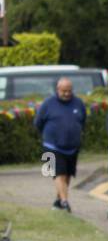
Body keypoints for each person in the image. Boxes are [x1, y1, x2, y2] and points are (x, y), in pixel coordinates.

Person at [34, 78, 87, 212]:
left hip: (72, 146)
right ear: (58, 89)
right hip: (51, 146)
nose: (67, 94)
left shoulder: (78, 103)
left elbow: (83, 120)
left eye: (69, 91)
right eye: (64, 91)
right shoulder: (48, 104)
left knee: (68, 175)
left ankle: (58, 200)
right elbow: (38, 122)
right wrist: (48, 135)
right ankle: (64, 202)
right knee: (58, 173)